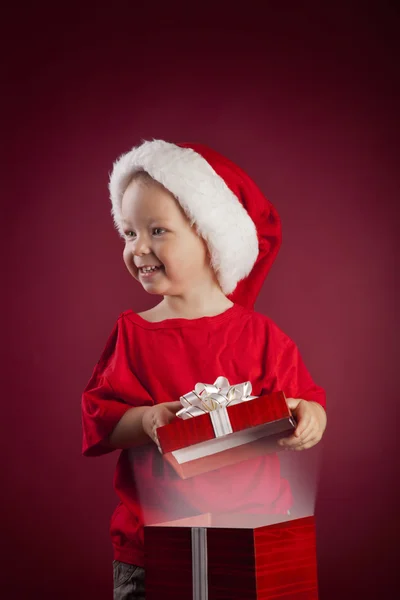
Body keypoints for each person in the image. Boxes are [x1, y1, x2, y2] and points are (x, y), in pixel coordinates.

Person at [81, 139, 327, 600]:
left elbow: (307, 403)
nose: (138, 248)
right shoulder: (134, 333)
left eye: (157, 230)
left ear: (210, 236)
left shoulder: (261, 335)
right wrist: (148, 420)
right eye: (129, 233)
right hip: (155, 543)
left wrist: (310, 417)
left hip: (254, 535)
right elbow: (100, 420)